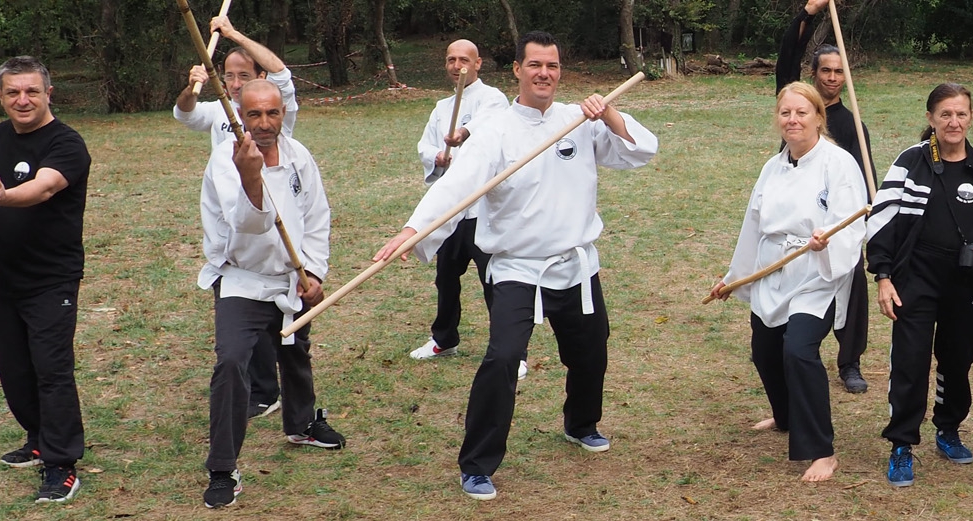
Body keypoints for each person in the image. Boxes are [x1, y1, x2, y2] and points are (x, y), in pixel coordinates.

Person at [373, 31, 659, 501]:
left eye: (552, 65)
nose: (544, 73)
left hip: (575, 264)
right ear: (518, 70)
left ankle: (581, 424)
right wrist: (413, 230)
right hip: (517, 268)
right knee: (504, 357)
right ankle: (477, 465)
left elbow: (639, 152)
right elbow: (457, 187)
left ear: (559, 70)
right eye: (535, 65)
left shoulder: (578, 120)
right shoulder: (496, 131)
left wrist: (608, 113)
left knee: (592, 350)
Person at [865, 82, 973, 487]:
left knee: (957, 363)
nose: (953, 122)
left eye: (961, 114)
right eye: (945, 115)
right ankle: (901, 444)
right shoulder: (911, 162)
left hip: (968, 284)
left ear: (972, 117)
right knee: (910, 364)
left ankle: (948, 428)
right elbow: (881, 221)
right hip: (915, 279)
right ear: (931, 118)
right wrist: (883, 276)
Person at [708, 82, 868, 482]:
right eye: (785, 113)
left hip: (817, 275)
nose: (792, 120)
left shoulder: (839, 163)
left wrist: (826, 240)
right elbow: (753, 227)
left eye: (801, 112)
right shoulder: (772, 167)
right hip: (772, 270)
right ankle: (784, 417)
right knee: (764, 351)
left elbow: (853, 224)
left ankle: (822, 451)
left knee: (798, 350)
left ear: (819, 117)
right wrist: (735, 279)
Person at [197, 79, 345, 509]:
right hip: (241, 280)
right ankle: (223, 467)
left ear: (284, 113)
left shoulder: (299, 157)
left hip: (290, 276)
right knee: (231, 361)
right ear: (240, 116)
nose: (264, 123)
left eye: (272, 113)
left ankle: (300, 423)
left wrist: (314, 271)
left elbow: (317, 216)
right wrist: (251, 176)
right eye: (254, 114)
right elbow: (249, 224)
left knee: (296, 350)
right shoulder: (226, 162)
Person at [0, 55, 92, 504]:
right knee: (15, 370)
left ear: (48, 93)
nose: (23, 100)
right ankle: (38, 437)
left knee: (51, 372)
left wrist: (1, 201)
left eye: (32, 91)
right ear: (0, 96)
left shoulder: (67, 144)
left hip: (50, 280)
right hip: (3, 276)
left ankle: (62, 463)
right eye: (13, 92)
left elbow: (44, 187)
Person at [174, 15, 297, 419]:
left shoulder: (274, 112)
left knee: (286, 327)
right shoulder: (217, 110)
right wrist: (193, 85)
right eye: (228, 76)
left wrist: (233, 33)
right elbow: (184, 112)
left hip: (274, 231)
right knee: (242, 317)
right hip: (233, 233)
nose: (235, 83)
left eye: (244, 75)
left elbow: (282, 74)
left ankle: (295, 405)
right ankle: (262, 389)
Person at [407, 39, 526, 380]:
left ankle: (512, 351)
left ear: (478, 64)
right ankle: (444, 339)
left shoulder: (493, 99)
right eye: (451, 59)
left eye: (464, 60)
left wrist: (463, 132)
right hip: (452, 211)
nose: (457, 65)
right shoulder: (442, 105)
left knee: (495, 281)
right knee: (446, 278)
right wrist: (437, 156)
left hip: (485, 210)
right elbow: (426, 143)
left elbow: (491, 124)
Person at [777, 0, 875, 394]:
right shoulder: (797, 110)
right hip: (798, 214)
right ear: (813, 74)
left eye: (839, 72)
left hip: (838, 217)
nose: (833, 79)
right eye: (826, 71)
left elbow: (865, 182)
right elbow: (787, 58)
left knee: (851, 283)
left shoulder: (853, 126)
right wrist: (808, 12)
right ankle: (790, 345)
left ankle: (850, 361)